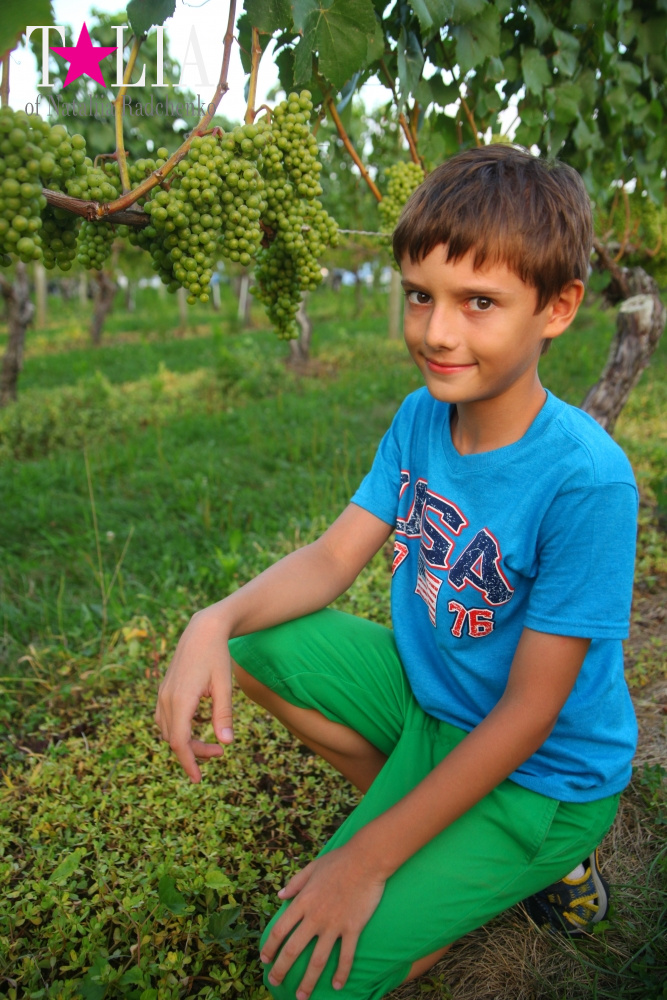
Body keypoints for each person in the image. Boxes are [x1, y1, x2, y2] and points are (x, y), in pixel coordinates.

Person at [155, 144, 638, 1000]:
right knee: (255, 641)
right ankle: (431, 829)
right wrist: (213, 618)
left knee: (298, 970)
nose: (436, 331)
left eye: (478, 302)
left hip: (541, 776)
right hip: (433, 707)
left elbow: (530, 714)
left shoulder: (583, 480)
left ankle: (527, 861)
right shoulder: (422, 417)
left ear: (557, 308)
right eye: (421, 296)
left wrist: (364, 863)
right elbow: (334, 555)